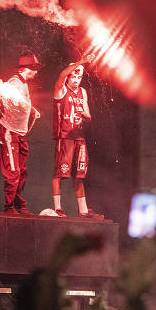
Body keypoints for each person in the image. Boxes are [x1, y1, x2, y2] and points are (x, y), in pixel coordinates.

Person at [52, 55, 104, 219]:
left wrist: (85, 115)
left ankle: (83, 211)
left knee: (79, 174)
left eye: (79, 76)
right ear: (68, 76)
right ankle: (58, 208)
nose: (76, 79)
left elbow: (89, 115)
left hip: (80, 138)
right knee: (59, 173)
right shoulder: (61, 89)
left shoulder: (82, 92)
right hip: (65, 136)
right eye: (73, 75)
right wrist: (81, 62)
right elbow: (61, 75)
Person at [0, 53, 42, 215]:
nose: (36, 72)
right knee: (13, 171)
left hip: (20, 134)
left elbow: (23, 102)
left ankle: (18, 204)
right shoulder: (14, 83)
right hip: (10, 133)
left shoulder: (23, 84)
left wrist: (32, 110)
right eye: (34, 69)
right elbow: (7, 100)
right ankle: (9, 207)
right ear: (26, 69)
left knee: (22, 171)